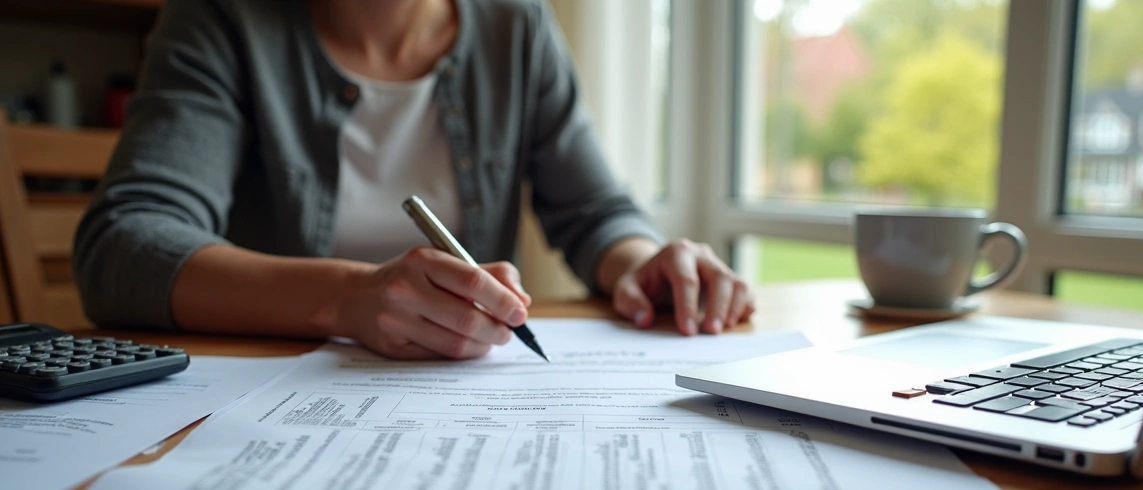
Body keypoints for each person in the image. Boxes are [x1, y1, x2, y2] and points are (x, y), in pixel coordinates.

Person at [74, 0, 755, 360]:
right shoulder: (222, 18)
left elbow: (594, 210)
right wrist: (346, 298)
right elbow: (124, 248)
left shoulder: (516, 25)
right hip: (259, 414)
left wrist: (644, 262)